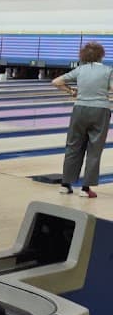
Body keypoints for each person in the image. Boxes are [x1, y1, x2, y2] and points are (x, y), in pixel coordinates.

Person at [52, 41, 113, 198]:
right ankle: (85, 189)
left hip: (79, 109)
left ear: (83, 56)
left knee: (73, 147)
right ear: (101, 55)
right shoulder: (108, 70)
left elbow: (56, 82)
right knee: (94, 150)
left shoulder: (80, 70)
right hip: (101, 110)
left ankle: (65, 185)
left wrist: (71, 91)